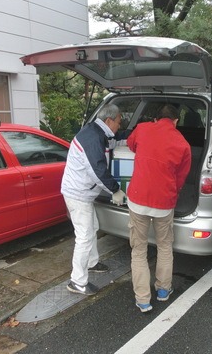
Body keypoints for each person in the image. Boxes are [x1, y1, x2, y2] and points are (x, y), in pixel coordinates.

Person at [126, 104, 192, 312]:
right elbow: (181, 178)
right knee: (164, 246)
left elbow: (130, 144)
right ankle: (163, 290)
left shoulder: (143, 128)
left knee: (139, 250)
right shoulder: (183, 144)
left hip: (137, 200)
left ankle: (143, 300)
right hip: (164, 203)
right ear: (176, 121)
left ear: (156, 119)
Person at [61, 103, 126, 296]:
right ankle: (77, 282)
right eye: (119, 122)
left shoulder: (98, 133)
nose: (119, 126)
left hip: (82, 192)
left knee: (93, 228)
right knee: (84, 237)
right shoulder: (92, 138)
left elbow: (113, 142)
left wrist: (132, 137)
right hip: (78, 194)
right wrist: (115, 190)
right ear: (109, 120)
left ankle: (92, 262)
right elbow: (98, 170)